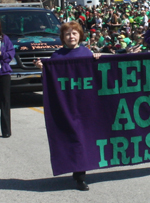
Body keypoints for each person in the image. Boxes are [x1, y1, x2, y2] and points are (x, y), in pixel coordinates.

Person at [34, 21, 101, 191]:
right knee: (71, 139)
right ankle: (75, 170)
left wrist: (97, 60)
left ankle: (80, 176)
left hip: (85, 105)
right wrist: (44, 68)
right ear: (63, 38)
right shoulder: (57, 57)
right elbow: (50, 81)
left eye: (74, 33)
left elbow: (97, 76)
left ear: (80, 36)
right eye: (67, 34)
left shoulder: (87, 53)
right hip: (65, 105)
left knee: (82, 139)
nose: (71, 37)